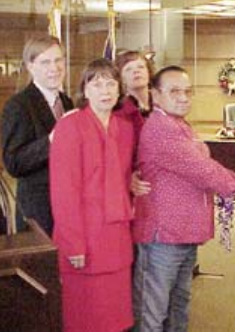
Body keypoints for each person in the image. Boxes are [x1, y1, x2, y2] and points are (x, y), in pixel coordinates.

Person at [132, 65, 235, 331]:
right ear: (155, 95)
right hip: (163, 238)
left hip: (183, 234)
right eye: (174, 91)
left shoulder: (178, 124)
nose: (183, 97)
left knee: (178, 308)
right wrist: (234, 184)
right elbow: (200, 169)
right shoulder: (160, 127)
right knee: (153, 314)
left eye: (187, 91)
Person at [50, 58, 135, 331]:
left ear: (120, 89)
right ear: (84, 90)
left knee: (115, 319)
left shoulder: (125, 128)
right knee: (85, 319)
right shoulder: (69, 126)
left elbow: (122, 179)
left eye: (111, 83)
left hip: (117, 238)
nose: (105, 90)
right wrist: (73, 244)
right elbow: (64, 191)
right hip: (84, 239)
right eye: (96, 84)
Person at [1, 35, 73, 235]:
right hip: (39, 213)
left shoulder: (66, 102)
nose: (55, 68)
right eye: (45, 62)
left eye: (59, 60)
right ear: (30, 66)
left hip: (68, 206)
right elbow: (13, 163)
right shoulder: (18, 105)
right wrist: (51, 141)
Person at [115, 50, 154, 140]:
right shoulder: (120, 112)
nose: (136, 71)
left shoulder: (163, 104)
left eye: (140, 67)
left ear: (149, 73)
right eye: (128, 69)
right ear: (121, 79)